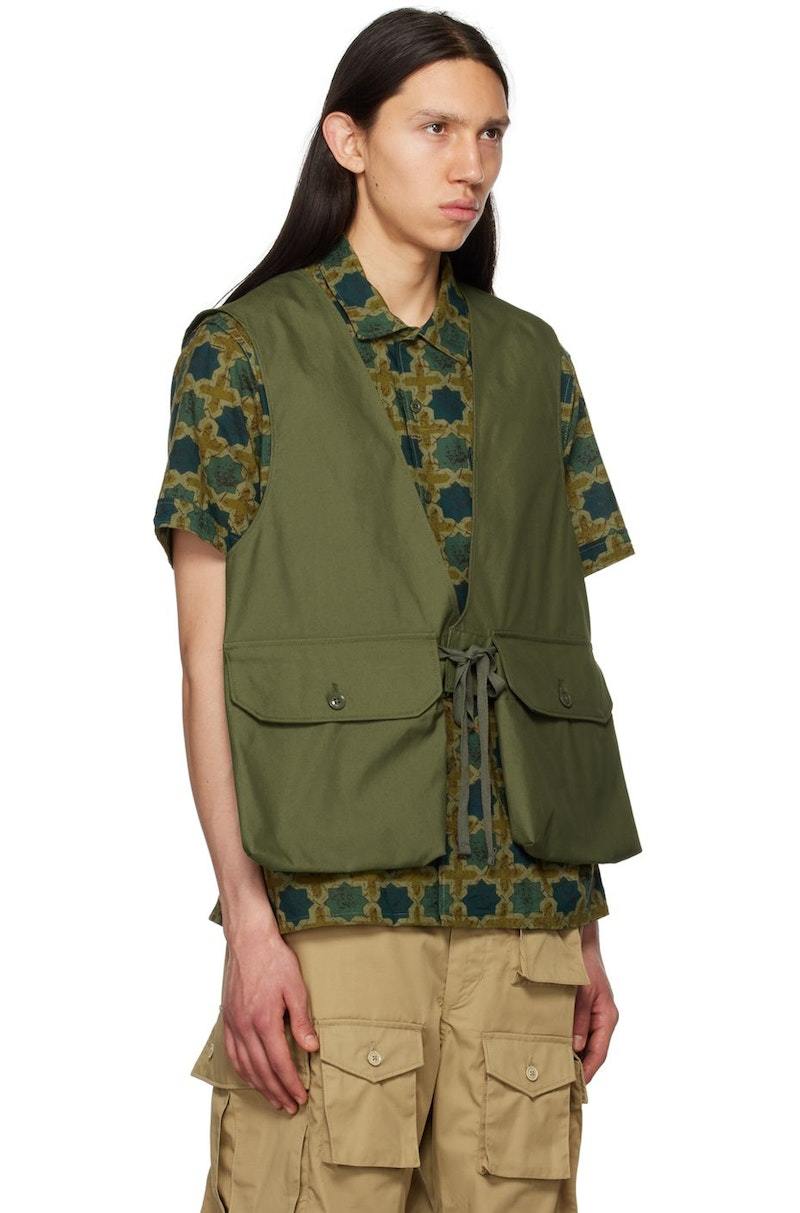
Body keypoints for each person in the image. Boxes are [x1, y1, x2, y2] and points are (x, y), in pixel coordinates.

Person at [152, 9, 641, 1211]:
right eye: (434, 129)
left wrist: (580, 928)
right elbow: (204, 664)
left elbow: (551, 651)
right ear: (349, 141)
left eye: (492, 133)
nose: (470, 164)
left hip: (521, 927)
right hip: (331, 920)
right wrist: (247, 923)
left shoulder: (533, 361)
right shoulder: (240, 352)